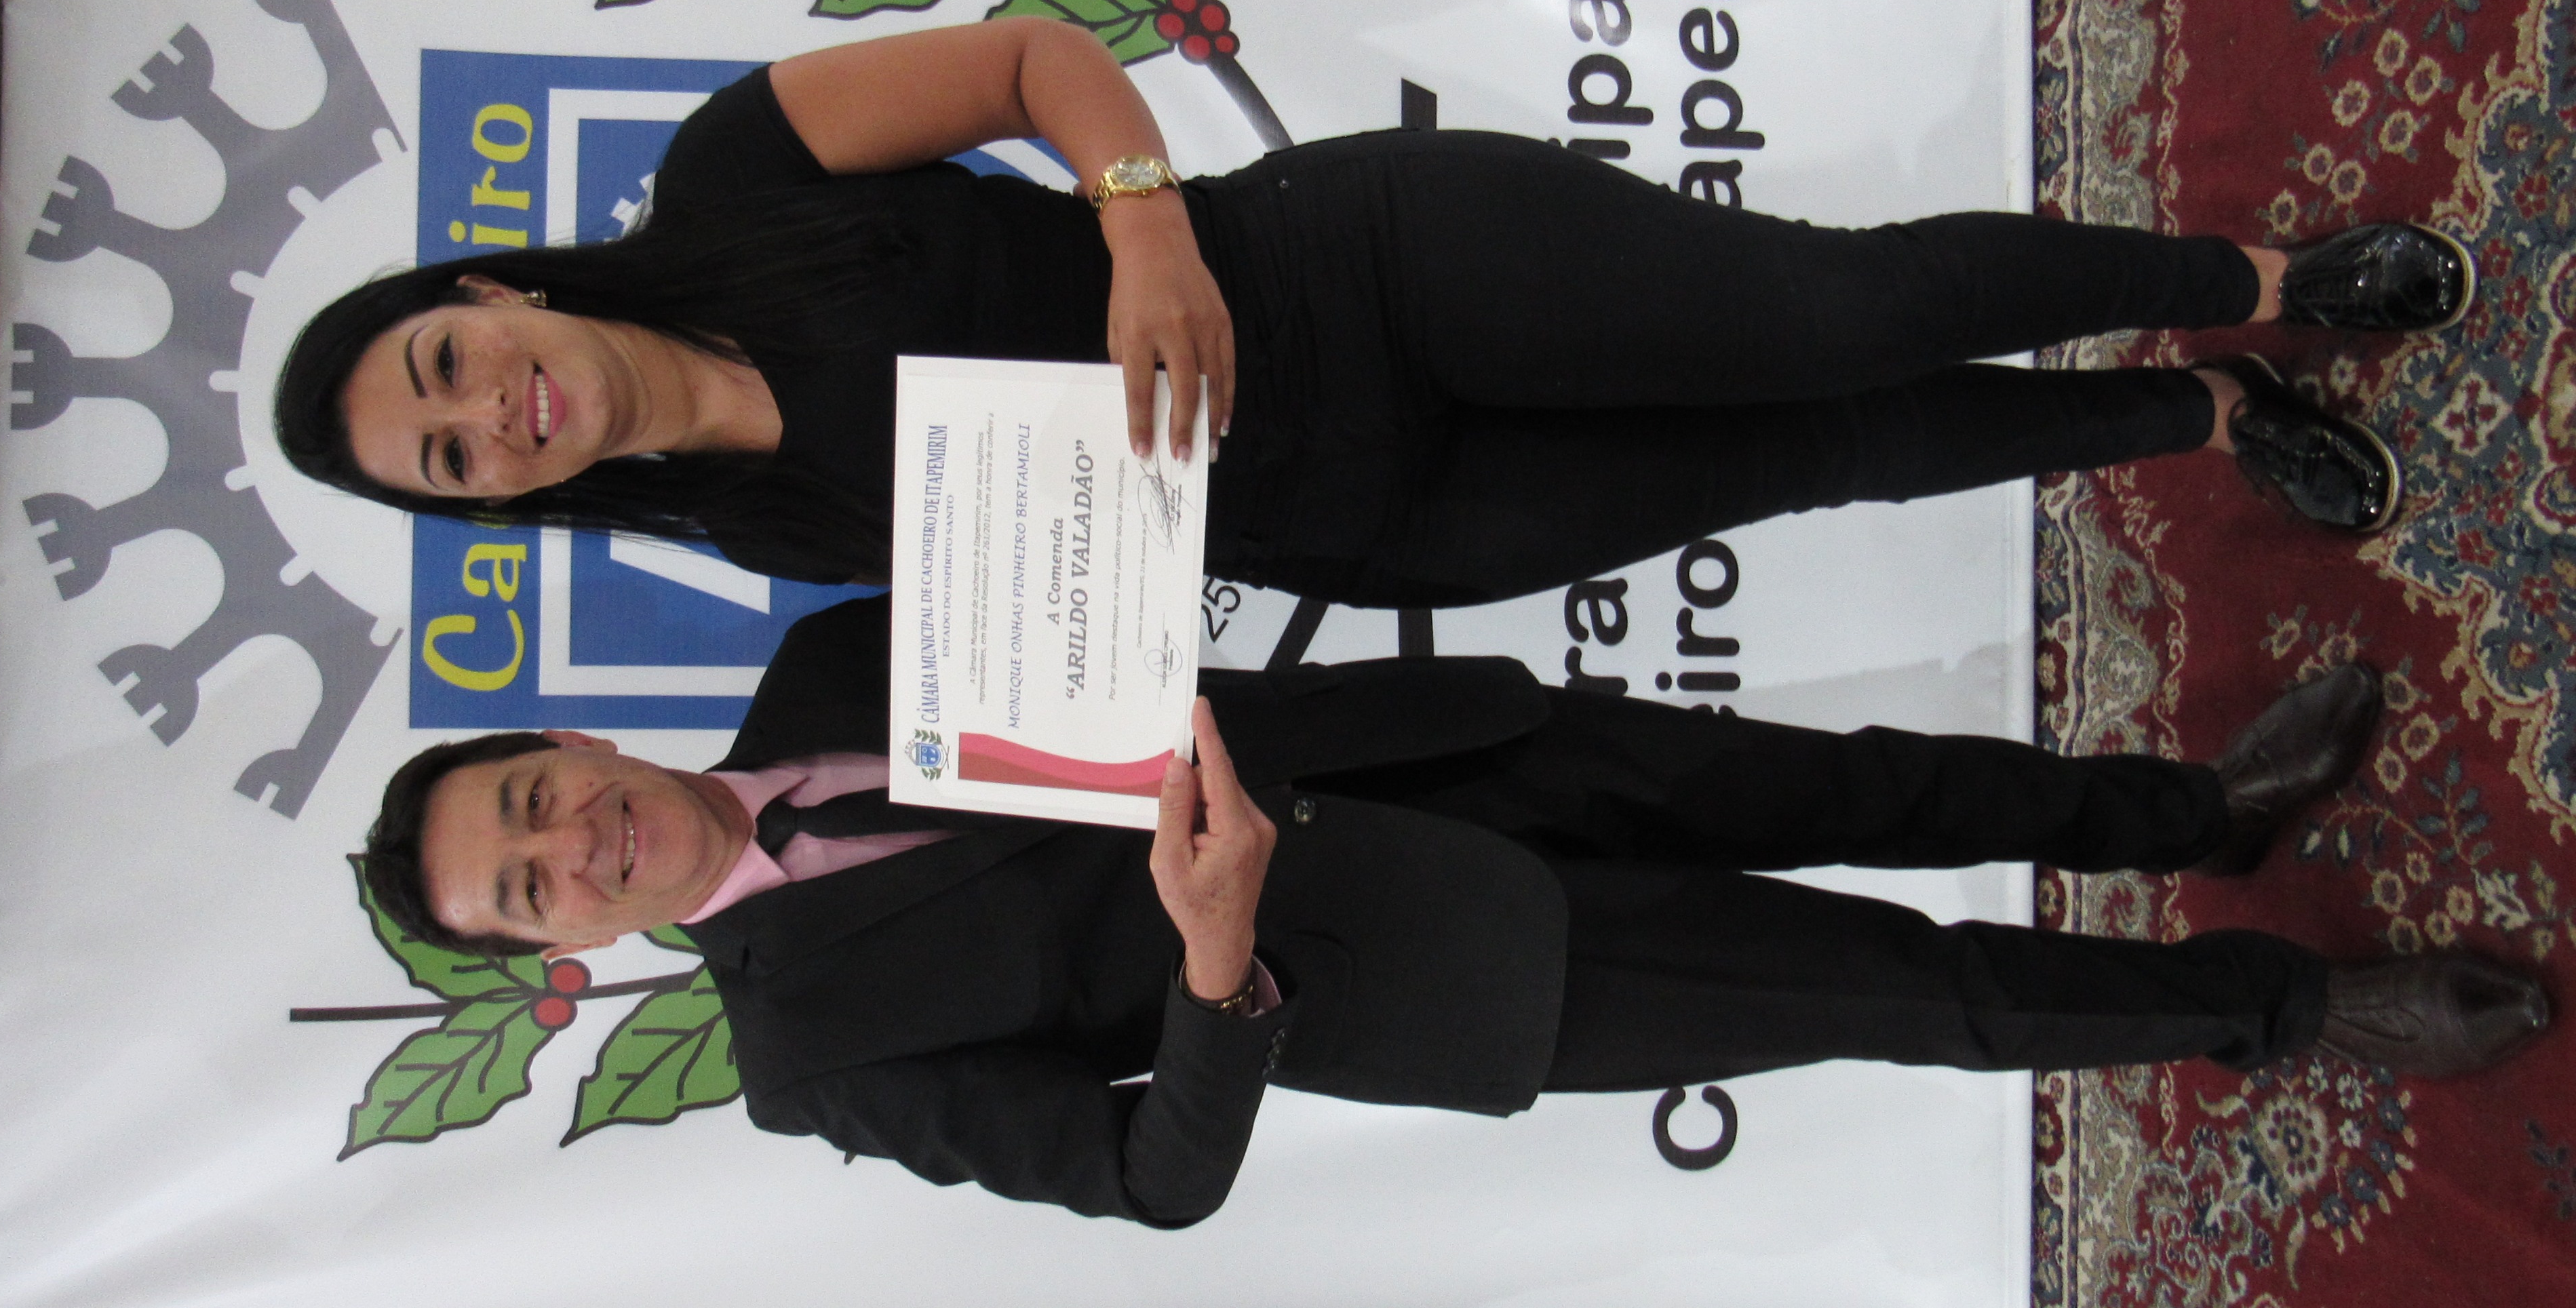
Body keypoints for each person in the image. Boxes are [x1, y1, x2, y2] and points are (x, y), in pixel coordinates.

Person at [364, 599, 2550, 1226]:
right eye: (533, 889)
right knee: (1912, 988)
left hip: (1441, 748)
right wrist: (1212, 960)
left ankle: (2198, 811)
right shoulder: (805, 1060)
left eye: (533, 799)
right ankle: (2292, 1010)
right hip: (1453, 968)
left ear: (563, 737)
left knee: (1866, 782)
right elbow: (1150, 1176)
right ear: (560, 951)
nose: (578, 844)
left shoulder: (823, 660)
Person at [277, 19, 2472, 608]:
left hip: (1354, 269)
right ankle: (2202, 419)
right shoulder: (752, 540)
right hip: (1368, 521)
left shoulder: (728, 175)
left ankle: (2262, 282)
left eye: (447, 367)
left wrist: (1144, 234)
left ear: (483, 288)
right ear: (496, 503)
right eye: (454, 459)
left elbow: (1038, 59)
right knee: (1825, 458)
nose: (497, 413)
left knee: (1841, 312)